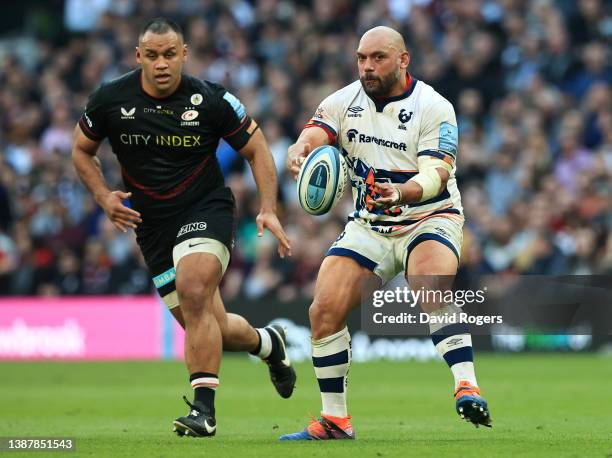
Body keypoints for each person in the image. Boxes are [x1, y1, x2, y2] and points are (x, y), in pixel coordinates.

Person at [72, 17, 296, 438]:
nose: (161, 64)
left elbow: (258, 148)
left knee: (195, 290)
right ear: (138, 56)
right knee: (208, 322)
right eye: (152, 55)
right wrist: (103, 196)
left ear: (184, 54)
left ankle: (204, 412)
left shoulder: (210, 99)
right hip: (153, 226)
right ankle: (270, 344)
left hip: (206, 208)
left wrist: (268, 207)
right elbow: (81, 151)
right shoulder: (109, 100)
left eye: (170, 54)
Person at [281, 26, 491, 440]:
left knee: (429, 285)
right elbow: (317, 131)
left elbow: (437, 173)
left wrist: (403, 191)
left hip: (430, 216)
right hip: (370, 225)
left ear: (403, 59)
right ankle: (335, 421)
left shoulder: (435, 106)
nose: (367, 66)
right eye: (361, 57)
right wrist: (300, 147)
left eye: (377, 57)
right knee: (323, 311)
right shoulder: (344, 101)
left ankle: (466, 386)